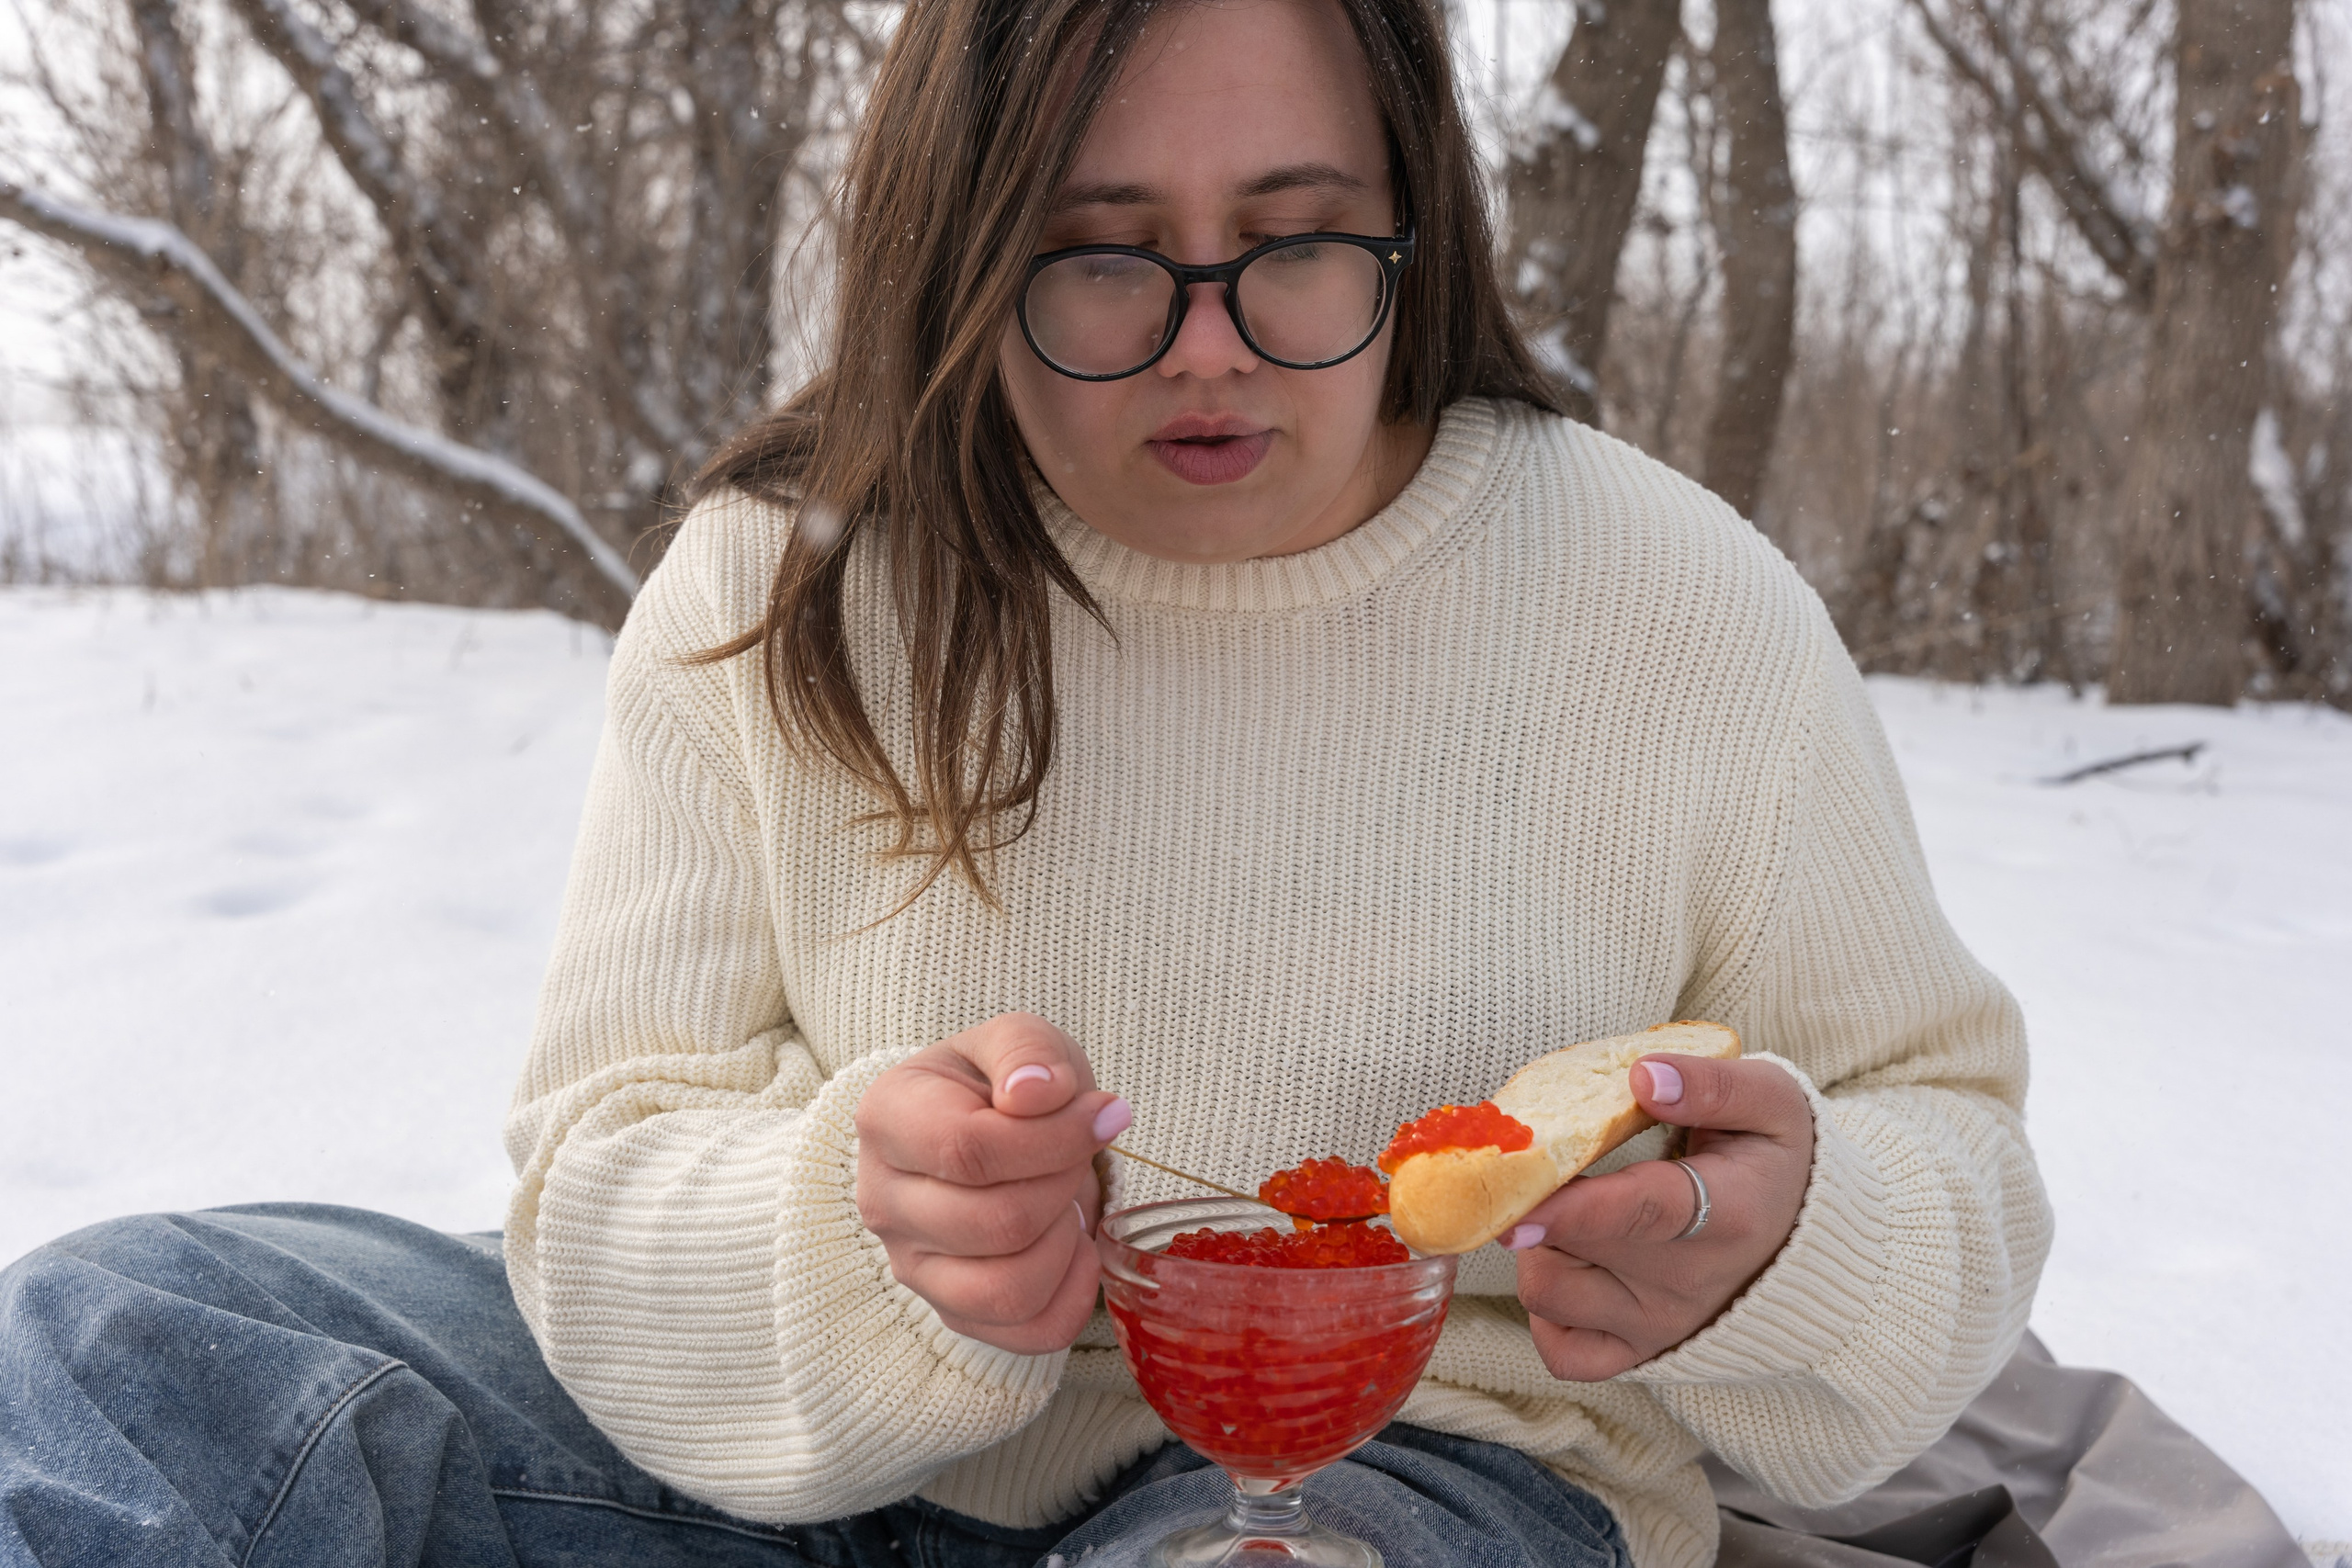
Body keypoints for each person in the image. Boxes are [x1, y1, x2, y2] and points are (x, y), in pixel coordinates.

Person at [0, 0, 2055, 1563]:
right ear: (959, 250)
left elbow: (1941, 1137)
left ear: (1411, 223)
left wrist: (1788, 1234)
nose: (1208, 348)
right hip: (810, 1485)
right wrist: (857, 1225)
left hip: (1401, 1475)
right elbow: (602, 1176)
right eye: (1098, 256)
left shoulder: (1669, 601)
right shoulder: (778, 581)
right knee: (112, 1336)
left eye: (1298, 241)